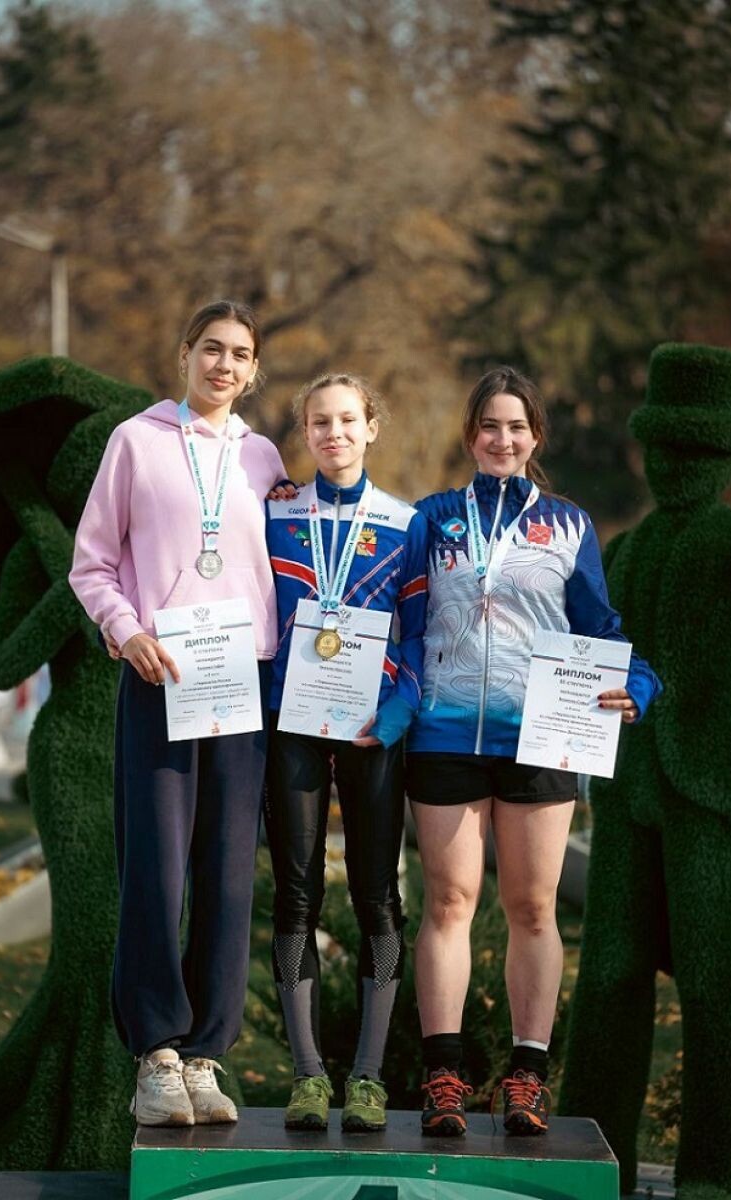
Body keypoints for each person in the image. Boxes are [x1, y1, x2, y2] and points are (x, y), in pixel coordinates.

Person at [406, 366, 662, 1138]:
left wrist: (638, 684)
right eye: (489, 425)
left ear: (535, 437)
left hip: (542, 737)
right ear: (470, 436)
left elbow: (599, 626)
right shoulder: (433, 518)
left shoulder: (567, 525)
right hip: (446, 733)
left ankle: (527, 1077)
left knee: (532, 907)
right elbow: (398, 616)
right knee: (449, 903)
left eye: (516, 426)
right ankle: (444, 1077)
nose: (502, 438)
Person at [69, 300, 285, 1127]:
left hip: (239, 684)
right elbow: (91, 564)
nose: (224, 365)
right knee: (156, 866)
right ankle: (156, 1054)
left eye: (240, 355)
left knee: (229, 874)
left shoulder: (264, 458)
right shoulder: (135, 441)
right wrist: (126, 631)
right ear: (184, 353)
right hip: (160, 678)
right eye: (211, 349)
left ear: (254, 371)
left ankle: (205, 1055)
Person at [265, 374, 428, 1133]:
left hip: (372, 725)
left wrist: (395, 716)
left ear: (371, 428)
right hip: (292, 722)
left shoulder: (405, 523)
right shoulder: (275, 513)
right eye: (319, 421)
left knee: (376, 897)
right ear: (304, 430)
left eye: (347, 420)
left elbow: (419, 634)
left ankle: (366, 1078)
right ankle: (307, 1077)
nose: (334, 433)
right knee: (296, 895)